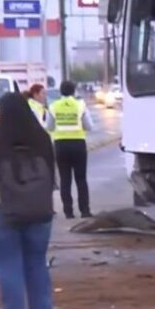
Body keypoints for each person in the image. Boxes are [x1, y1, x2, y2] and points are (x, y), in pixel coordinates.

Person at [0, 92, 56, 309]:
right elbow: (52, 177)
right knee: (37, 265)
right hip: (40, 213)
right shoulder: (41, 138)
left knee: (8, 266)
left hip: (4, 213)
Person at [49, 80, 95, 219]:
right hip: (78, 144)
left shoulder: (53, 106)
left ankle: (68, 212)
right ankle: (85, 211)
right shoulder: (80, 105)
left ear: (60, 91)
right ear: (74, 91)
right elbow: (89, 126)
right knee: (81, 179)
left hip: (61, 145)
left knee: (65, 179)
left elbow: (49, 126)